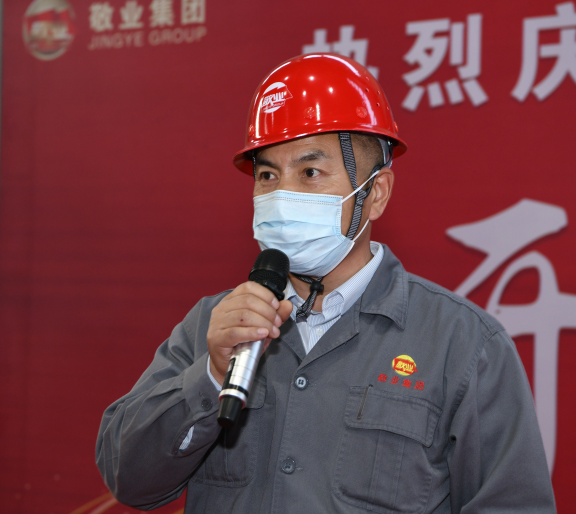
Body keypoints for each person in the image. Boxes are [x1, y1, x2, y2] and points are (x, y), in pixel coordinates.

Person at [96, 53, 556, 513]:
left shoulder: (464, 343)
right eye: (267, 175)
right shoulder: (214, 325)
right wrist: (212, 375)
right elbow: (129, 480)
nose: (281, 195)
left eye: (310, 173)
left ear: (375, 194)